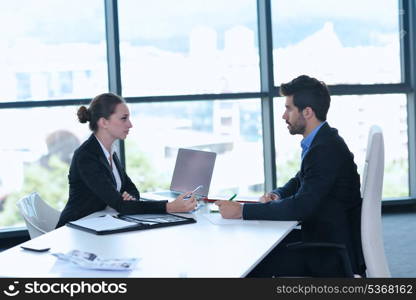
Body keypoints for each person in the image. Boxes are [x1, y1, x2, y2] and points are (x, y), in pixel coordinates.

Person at [216, 75, 366, 277]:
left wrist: (242, 211)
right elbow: (300, 180)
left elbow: (301, 207)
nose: (283, 116)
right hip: (320, 236)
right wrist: (278, 194)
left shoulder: (325, 149)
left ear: (307, 112)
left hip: (329, 253)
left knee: (250, 265)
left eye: (288, 109)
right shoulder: (322, 141)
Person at [56, 93, 196, 228]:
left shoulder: (109, 152)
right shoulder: (86, 156)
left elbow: (131, 189)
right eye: (124, 118)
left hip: (99, 224)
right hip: (75, 228)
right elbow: (121, 205)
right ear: (104, 122)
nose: (130, 124)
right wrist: (170, 207)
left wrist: (130, 198)